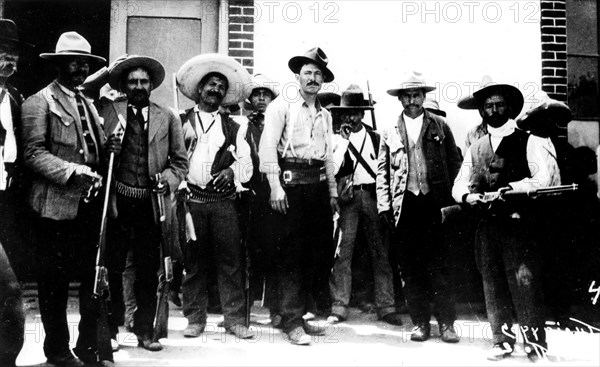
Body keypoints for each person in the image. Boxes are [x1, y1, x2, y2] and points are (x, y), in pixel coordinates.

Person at [21, 31, 119, 367]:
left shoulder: (88, 104)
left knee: (93, 277)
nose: (80, 68)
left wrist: (110, 147)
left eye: (85, 64)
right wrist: (71, 171)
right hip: (54, 206)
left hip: (90, 206)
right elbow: (33, 154)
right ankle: (58, 352)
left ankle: (88, 348)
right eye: (73, 62)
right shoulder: (39, 102)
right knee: (54, 283)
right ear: (60, 64)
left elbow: (95, 147)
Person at [452, 81, 560, 362]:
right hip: (487, 226)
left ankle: (535, 344)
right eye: (488, 106)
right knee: (492, 283)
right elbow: (458, 184)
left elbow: (541, 178)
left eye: (499, 104)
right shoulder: (475, 147)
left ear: (509, 107)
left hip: (519, 226)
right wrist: (467, 197)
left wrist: (515, 187)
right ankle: (501, 341)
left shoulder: (528, 139)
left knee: (524, 284)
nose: (494, 110)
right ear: (482, 111)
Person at [100, 55, 188, 351]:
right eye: (133, 81)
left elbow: (180, 162)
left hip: (151, 204)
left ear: (151, 85)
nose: (138, 86)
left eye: (143, 81)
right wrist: (106, 149)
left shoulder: (167, 117)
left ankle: (145, 331)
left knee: (149, 269)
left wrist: (168, 178)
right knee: (111, 267)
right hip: (118, 202)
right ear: (124, 84)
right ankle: (109, 332)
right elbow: (96, 151)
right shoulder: (110, 111)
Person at [259, 46, 339, 345]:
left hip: (317, 187)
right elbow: (267, 149)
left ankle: (298, 315)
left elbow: (328, 157)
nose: (313, 79)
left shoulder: (325, 115)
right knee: (290, 253)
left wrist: (331, 191)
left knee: (315, 253)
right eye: (308, 73)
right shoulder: (281, 106)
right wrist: (275, 185)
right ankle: (290, 321)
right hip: (290, 185)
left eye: (318, 74)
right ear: (298, 76)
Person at [377, 71, 461, 343]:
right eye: (407, 95)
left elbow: (455, 164)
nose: (412, 100)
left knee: (440, 266)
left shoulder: (439, 125)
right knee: (410, 269)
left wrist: (455, 201)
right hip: (405, 205)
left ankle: (447, 323)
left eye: (416, 95)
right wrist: (384, 206)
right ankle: (420, 323)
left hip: (434, 204)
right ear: (400, 99)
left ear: (424, 97)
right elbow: (382, 171)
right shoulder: (390, 131)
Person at [176, 53, 254, 340]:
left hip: (223, 204)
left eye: (222, 86)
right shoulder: (180, 120)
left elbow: (247, 164)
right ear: (199, 89)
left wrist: (233, 172)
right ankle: (194, 319)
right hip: (192, 201)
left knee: (230, 262)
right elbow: (173, 159)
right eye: (211, 84)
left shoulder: (236, 126)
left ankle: (234, 320)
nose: (216, 90)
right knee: (193, 263)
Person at [327, 84, 402, 326]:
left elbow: (384, 172)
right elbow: (334, 168)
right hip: (347, 198)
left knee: (381, 253)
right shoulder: (336, 139)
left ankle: (386, 306)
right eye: (348, 112)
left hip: (372, 196)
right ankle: (339, 306)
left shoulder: (376, 138)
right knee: (342, 254)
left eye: (357, 112)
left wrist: (384, 204)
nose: (352, 117)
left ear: (363, 114)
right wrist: (344, 142)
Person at [240, 73, 283, 327]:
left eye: (265, 94)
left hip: (274, 193)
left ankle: (276, 310)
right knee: (248, 252)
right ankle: (245, 309)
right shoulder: (243, 125)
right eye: (257, 94)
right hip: (251, 194)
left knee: (275, 253)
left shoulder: (279, 123)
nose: (261, 98)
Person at [0, 19, 27, 367]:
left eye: (13, 55)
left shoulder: (15, 98)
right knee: (9, 291)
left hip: (6, 201)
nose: (8, 62)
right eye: (1, 54)